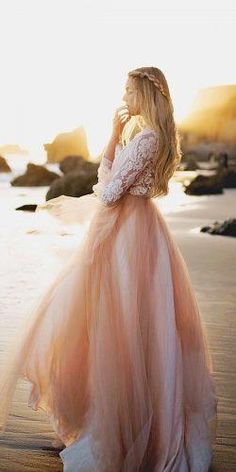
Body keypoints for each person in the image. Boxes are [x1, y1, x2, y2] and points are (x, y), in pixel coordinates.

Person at [0, 66, 217, 471]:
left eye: (128, 89)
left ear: (144, 94)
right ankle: (112, 416)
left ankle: (125, 428)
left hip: (128, 238)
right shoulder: (147, 135)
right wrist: (115, 139)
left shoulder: (148, 137)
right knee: (125, 328)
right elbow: (109, 179)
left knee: (121, 328)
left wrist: (113, 148)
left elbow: (111, 189)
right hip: (136, 231)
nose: (124, 96)